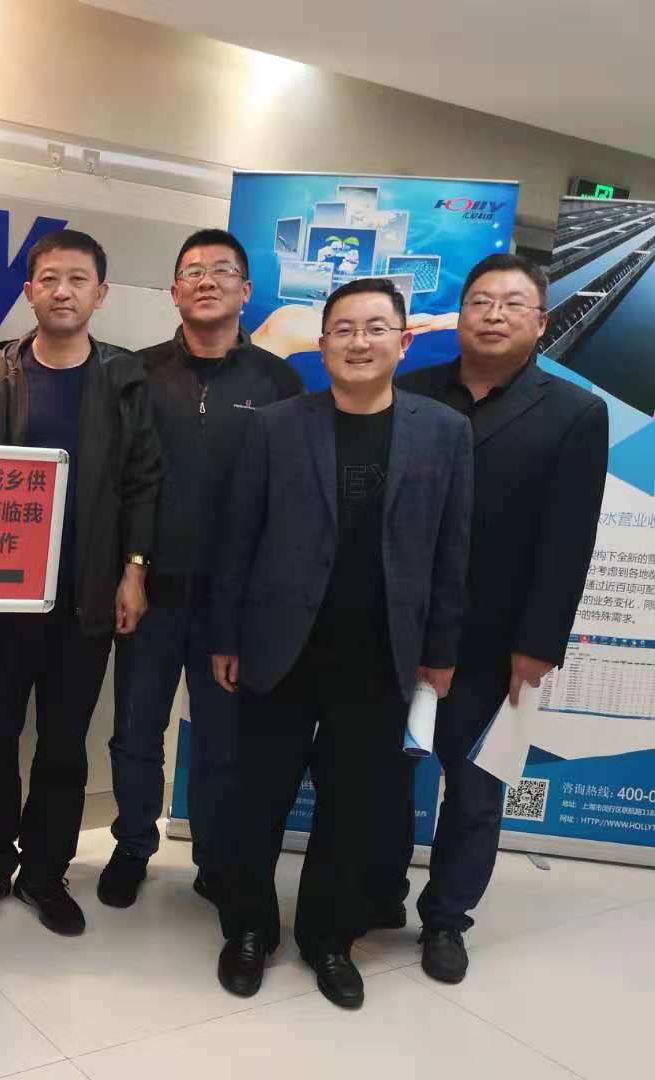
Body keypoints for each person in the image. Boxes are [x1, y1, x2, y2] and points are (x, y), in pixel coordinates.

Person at [209, 277, 472, 1010]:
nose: (360, 342)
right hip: (280, 646)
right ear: (322, 344)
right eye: (344, 329)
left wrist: (441, 651)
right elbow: (238, 539)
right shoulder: (275, 426)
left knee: (351, 807)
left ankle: (329, 937)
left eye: (376, 328)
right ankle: (250, 928)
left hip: (381, 654)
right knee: (256, 799)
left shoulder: (443, 432)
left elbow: (452, 551)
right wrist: (226, 635)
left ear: (404, 341)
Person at [370, 254, 608, 983]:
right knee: (380, 773)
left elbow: (569, 541)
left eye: (512, 304)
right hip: (397, 630)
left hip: (497, 641)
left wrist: (538, 643)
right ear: (460, 315)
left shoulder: (574, 413)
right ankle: (378, 892)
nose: (494, 315)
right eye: (480, 301)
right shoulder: (407, 392)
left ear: (541, 322)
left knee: (474, 789)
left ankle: (447, 919)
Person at [0, 229, 162, 937]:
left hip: (86, 596)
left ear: (100, 294)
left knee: (65, 745)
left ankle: (45, 873)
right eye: (49, 279)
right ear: (29, 291)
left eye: (78, 279)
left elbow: (143, 483)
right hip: (3, 599)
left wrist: (134, 572)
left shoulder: (124, 379)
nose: (63, 291)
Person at [101, 228, 303, 909]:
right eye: (193, 271)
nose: (207, 280)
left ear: (247, 291)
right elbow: (124, 483)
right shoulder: (137, 374)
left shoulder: (278, 382)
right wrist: (130, 571)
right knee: (135, 732)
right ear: (174, 291)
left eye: (222, 270)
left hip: (232, 608)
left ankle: (215, 859)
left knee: (222, 745)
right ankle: (132, 846)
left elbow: (286, 500)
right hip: (150, 594)